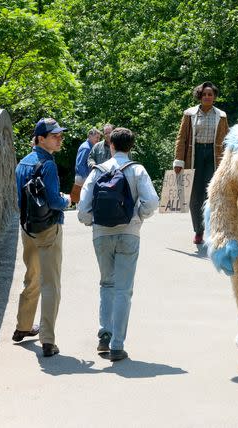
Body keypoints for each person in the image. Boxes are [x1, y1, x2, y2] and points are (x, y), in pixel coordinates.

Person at [77, 127, 159, 361]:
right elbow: (152, 201)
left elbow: (83, 209)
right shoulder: (137, 169)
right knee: (124, 289)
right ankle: (117, 345)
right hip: (129, 232)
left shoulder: (98, 170)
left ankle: (104, 335)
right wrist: (139, 216)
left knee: (106, 284)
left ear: (110, 145)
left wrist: (91, 221)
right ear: (131, 146)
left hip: (101, 233)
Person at [13, 118, 71, 357]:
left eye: (60, 135)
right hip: (48, 228)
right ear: (40, 139)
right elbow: (55, 201)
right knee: (51, 284)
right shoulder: (47, 165)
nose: (59, 139)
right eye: (54, 135)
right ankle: (48, 340)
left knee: (32, 278)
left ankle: (23, 327)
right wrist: (66, 200)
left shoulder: (22, 164)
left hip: (27, 229)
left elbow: (20, 199)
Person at [173, 81, 229, 244]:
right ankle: (198, 230)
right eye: (204, 94)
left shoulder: (222, 115)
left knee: (211, 194)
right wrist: (179, 161)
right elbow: (181, 138)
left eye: (210, 94)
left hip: (213, 156)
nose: (207, 97)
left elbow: (227, 139)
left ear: (214, 97)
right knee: (194, 195)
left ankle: (211, 229)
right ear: (200, 96)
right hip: (194, 155)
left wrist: (228, 161)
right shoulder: (190, 114)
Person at [71, 127, 101, 204]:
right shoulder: (86, 147)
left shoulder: (89, 146)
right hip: (83, 177)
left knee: (83, 201)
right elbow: (80, 165)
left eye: (99, 138)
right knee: (83, 201)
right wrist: (87, 178)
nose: (98, 140)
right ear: (90, 136)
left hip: (82, 177)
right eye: (97, 137)